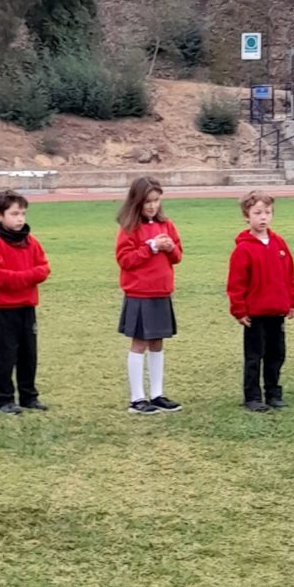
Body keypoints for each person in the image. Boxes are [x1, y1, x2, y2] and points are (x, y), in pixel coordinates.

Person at [115, 177, 182, 414]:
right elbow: (125, 260)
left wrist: (170, 248)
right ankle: (137, 398)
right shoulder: (129, 228)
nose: (153, 206)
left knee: (157, 342)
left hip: (161, 292)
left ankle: (157, 394)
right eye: (148, 201)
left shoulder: (167, 225)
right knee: (139, 343)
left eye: (156, 200)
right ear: (137, 202)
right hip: (139, 293)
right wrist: (150, 247)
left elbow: (178, 256)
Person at [227, 190, 294, 410]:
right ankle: (252, 397)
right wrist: (239, 310)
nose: (263, 217)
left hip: (277, 311)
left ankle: (273, 393)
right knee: (254, 356)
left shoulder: (279, 244)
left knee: (276, 355)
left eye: (267, 212)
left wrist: (292, 301)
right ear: (246, 216)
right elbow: (236, 284)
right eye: (257, 213)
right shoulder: (243, 249)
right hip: (255, 314)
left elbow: (289, 275)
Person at [0, 189, 50, 414]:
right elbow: (1, 277)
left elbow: (44, 269)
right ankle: (4, 399)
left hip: (27, 307)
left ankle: (29, 396)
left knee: (28, 354)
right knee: (5, 355)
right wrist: (28, 277)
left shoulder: (31, 242)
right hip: (5, 309)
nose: (20, 219)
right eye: (14, 214)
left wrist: (23, 278)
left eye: (22, 213)